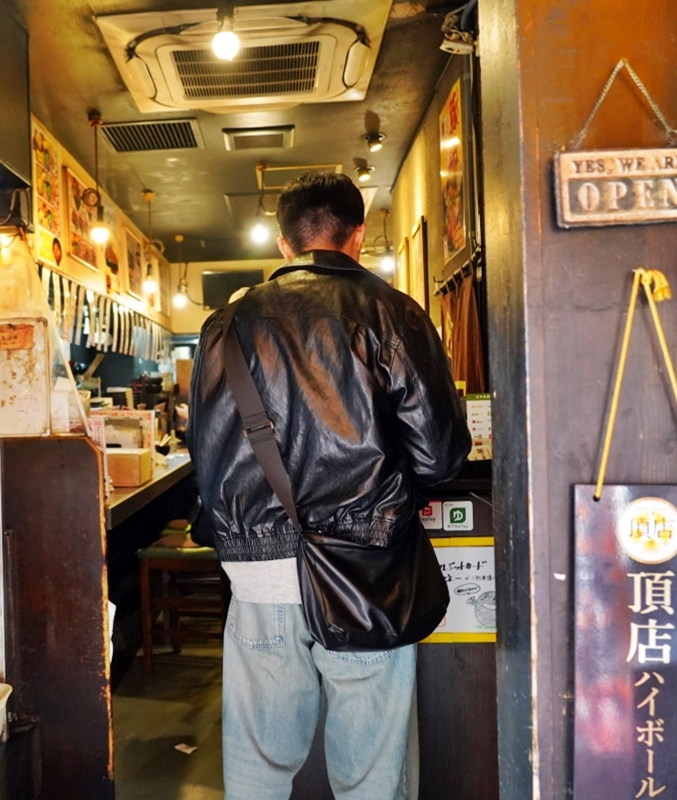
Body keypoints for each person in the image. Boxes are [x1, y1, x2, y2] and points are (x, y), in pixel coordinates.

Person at [187, 171, 471, 799]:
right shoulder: (393, 312)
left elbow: (203, 455)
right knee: (371, 768)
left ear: (284, 244)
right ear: (358, 236)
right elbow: (441, 455)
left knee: (259, 759)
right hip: (367, 573)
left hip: (258, 573)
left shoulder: (225, 325)